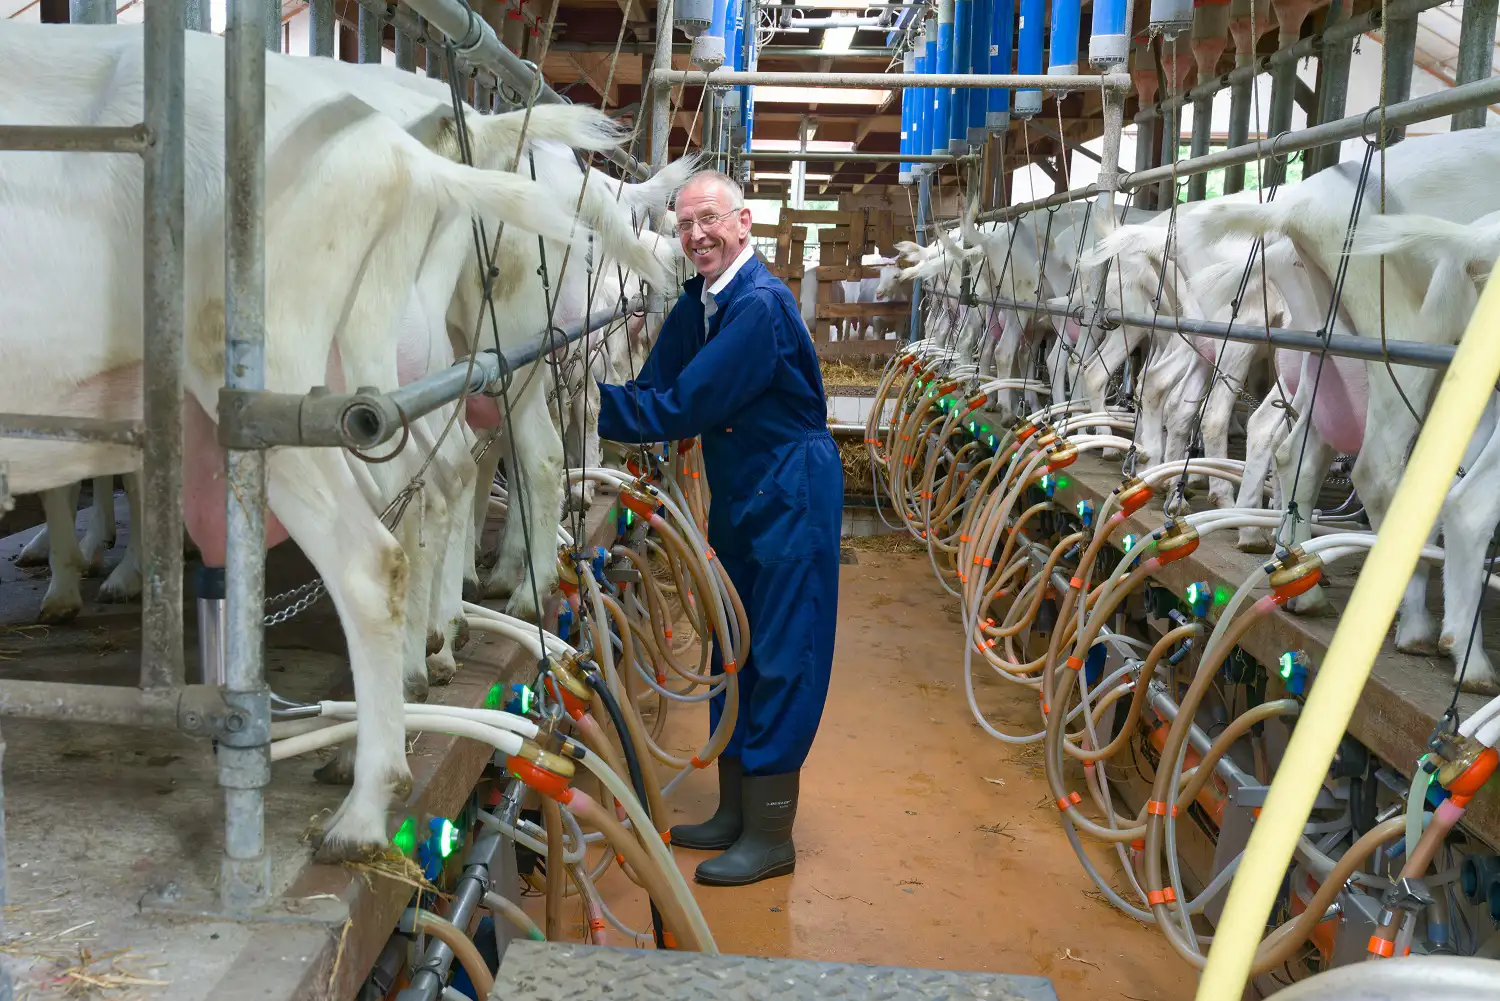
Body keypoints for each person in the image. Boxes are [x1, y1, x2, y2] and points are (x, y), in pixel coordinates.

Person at [594, 170, 843, 886]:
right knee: (733, 640)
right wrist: (583, 385)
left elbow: (684, 406)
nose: (697, 235)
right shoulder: (702, 301)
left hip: (791, 489)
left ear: (743, 223)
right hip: (743, 489)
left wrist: (587, 403)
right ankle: (734, 808)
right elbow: (656, 384)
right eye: (685, 224)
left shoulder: (758, 306)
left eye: (710, 219)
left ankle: (770, 832)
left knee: (783, 650)